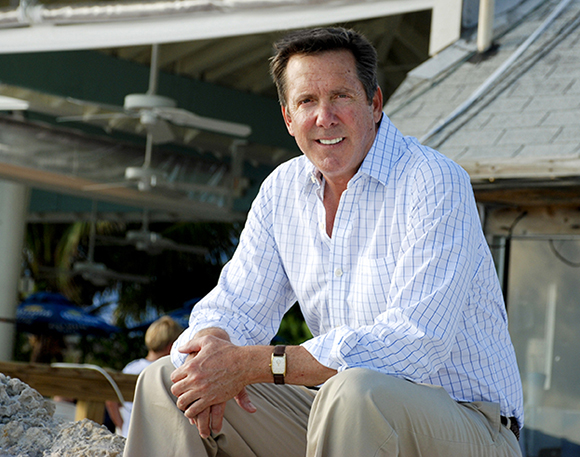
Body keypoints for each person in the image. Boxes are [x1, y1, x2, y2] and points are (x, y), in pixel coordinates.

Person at [123, 27, 524, 457]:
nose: (324, 117)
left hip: (470, 425)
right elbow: (235, 304)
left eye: (340, 96)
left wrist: (256, 364)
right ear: (287, 118)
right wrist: (211, 355)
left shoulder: (433, 181)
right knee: (170, 382)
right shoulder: (282, 190)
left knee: (354, 392)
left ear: (374, 104)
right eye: (307, 101)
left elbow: (414, 345)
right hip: (345, 416)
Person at [106, 315, 183, 437]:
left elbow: (111, 401)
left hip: (129, 435)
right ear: (172, 345)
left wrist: (122, 426)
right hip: (159, 438)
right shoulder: (169, 370)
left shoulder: (132, 368)